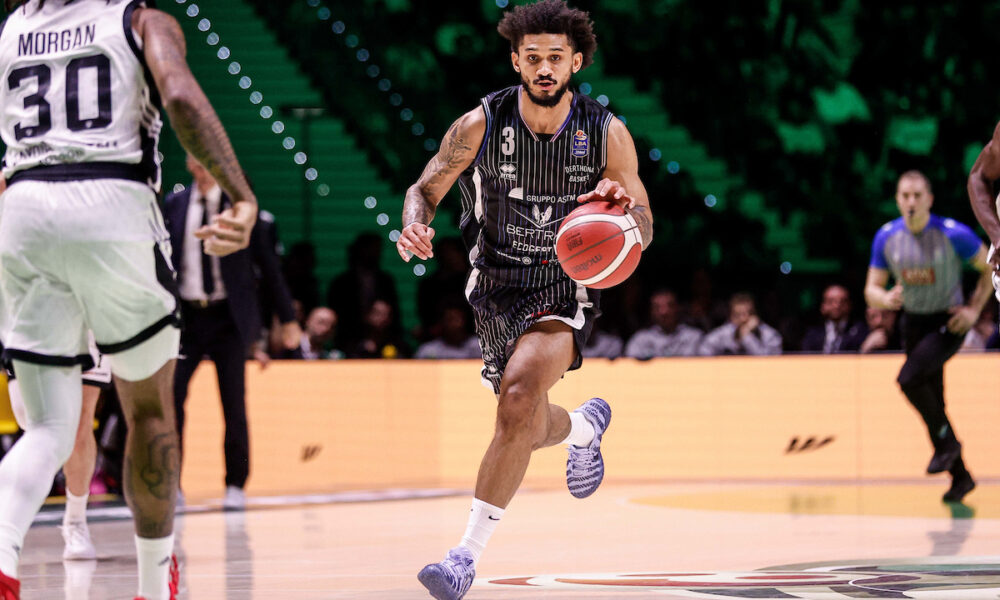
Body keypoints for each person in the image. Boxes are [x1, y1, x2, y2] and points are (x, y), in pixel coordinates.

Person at [395, 2, 654, 598]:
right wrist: (413, 224)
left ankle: (463, 558)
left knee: (516, 398)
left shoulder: (606, 132)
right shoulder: (479, 125)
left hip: (564, 286)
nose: (543, 68)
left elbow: (644, 223)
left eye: (555, 57)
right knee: (526, 422)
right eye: (532, 57)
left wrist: (625, 213)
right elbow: (423, 189)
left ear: (576, 62)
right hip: (494, 287)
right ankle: (583, 427)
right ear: (515, 61)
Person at [0, 1, 258, 598]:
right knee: (149, 411)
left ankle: (4, 551)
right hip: (111, 206)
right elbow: (183, 99)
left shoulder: (12, 27)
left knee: (47, 427)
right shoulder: (141, 20)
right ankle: (152, 583)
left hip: (25, 211)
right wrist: (241, 194)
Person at [163, 156, 299, 511]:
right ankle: (172, 484)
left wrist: (287, 318)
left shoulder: (241, 208)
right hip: (186, 317)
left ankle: (236, 484)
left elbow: (270, 269)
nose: (199, 166)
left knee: (234, 402)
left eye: (206, 159)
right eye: (193, 158)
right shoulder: (174, 204)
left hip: (229, 318)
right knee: (172, 399)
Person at [865, 170, 992, 504]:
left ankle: (949, 446)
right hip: (912, 324)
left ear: (929, 200)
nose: (911, 202)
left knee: (909, 380)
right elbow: (871, 290)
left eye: (917, 195)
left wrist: (973, 311)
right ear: (897, 200)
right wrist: (885, 299)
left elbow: (990, 267)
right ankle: (961, 476)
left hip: (948, 323)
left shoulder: (954, 234)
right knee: (933, 399)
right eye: (905, 196)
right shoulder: (886, 237)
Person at [5, 334, 110, 562]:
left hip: (86, 322)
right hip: (28, 321)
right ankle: (10, 522)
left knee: (81, 421)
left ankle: (76, 520)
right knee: (30, 419)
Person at [624, 289, 702, 358]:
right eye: (657, 307)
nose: (664, 312)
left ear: (677, 308)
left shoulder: (694, 337)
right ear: (651, 311)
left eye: (670, 305)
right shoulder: (640, 339)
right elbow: (629, 364)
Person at [698, 293, 782, 356]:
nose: (743, 319)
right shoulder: (723, 333)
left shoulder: (769, 335)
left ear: (755, 314)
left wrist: (746, 337)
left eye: (747, 313)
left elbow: (770, 362)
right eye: (737, 315)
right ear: (730, 317)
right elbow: (703, 352)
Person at [800, 285, 868, 353]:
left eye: (842, 301)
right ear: (823, 306)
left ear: (849, 305)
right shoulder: (812, 333)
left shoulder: (860, 331)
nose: (836, 306)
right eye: (831, 301)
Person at [414, 306, 482, 359]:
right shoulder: (428, 350)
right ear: (442, 323)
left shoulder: (479, 347)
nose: (455, 324)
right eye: (450, 319)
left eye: (458, 319)